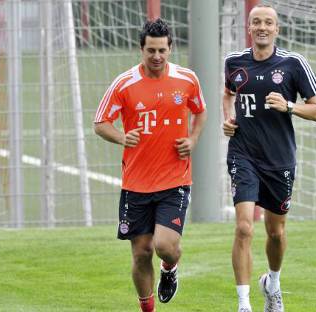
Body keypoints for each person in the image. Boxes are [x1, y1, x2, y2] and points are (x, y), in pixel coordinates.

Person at [94, 18, 207, 312]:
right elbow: (100, 123)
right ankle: (147, 308)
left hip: (175, 179)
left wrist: (193, 140)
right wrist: (122, 136)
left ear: (170, 49)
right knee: (142, 252)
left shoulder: (187, 79)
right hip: (136, 183)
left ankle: (169, 268)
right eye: (151, 51)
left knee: (164, 246)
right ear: (141, 49)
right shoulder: (124, 83)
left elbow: (200, 112)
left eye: (162, 50)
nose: (157, 57)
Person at [223, 4, 316, 312]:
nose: (262, 27)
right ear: (249, 29)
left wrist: (288, 106)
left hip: (279, 160)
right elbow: (228, 93)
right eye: (257, 22)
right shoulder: (233, 63)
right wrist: (228, 118)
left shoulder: (293, 64)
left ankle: (273, 284)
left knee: (276, 232)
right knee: (243, 228)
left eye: (268, 22)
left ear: (276, 29)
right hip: (243, 155)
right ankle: (243, 304)